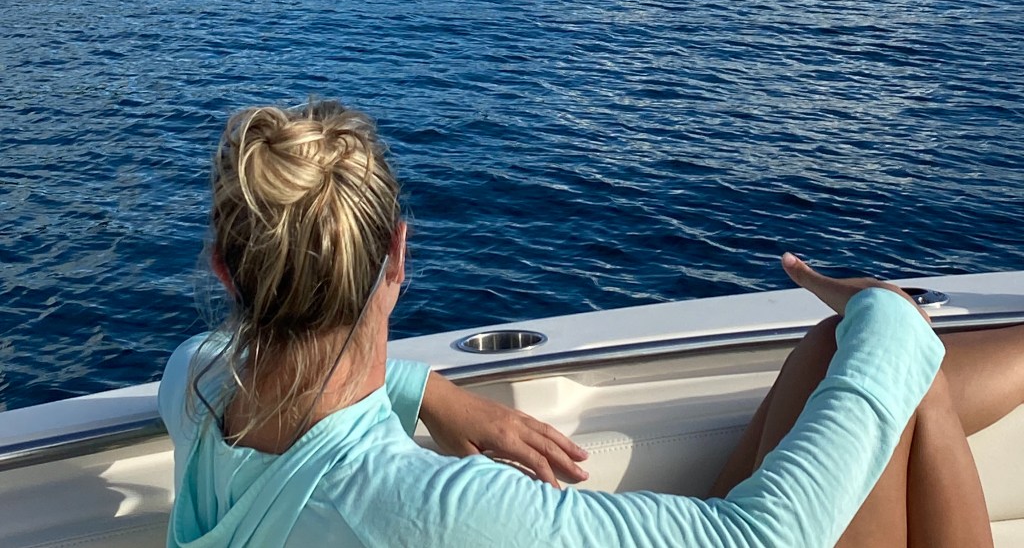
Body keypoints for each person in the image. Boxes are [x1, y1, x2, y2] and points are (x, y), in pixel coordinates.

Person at [159, 99, 1017, 547]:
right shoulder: (422, 508)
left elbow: (215, 352)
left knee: (841, 353)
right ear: (398, 257)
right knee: (887, 365)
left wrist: (437, 396)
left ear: (225, 272)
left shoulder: (198, 394)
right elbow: (763, 538)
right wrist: (891, 314)